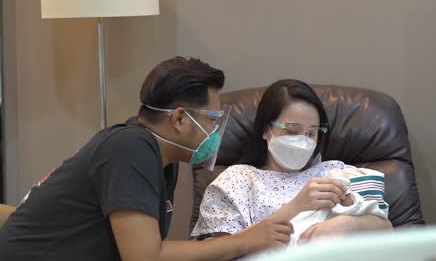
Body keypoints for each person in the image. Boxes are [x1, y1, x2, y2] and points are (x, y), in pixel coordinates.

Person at [0, 57, 294, 261]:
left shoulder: (160, 157)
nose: (215, 130)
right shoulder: (129, 147)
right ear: (179, 118)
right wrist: (244, 240)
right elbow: (145, 256)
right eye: (212, 119)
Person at [191, 79, 392, 245]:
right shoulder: (237, 181)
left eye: (311, 133)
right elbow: (219, 252)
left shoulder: (336, 171)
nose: (303, 141)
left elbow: (386, 229)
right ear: (265, 130)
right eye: (292, 131)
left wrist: (346, 226)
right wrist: (297, 206)